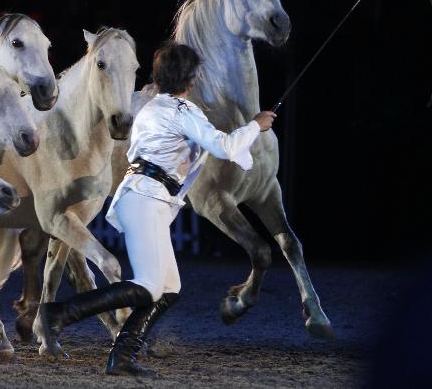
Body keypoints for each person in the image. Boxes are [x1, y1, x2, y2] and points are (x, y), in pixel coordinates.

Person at [38, 42, 276, 377]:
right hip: (147, 199)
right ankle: (59, 313)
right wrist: (256, 125)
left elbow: (225, 147)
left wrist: (245, 137)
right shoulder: (182, 112)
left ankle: (122, 356)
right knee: (150, 285)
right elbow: (224, 147)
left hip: (147, 199)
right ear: (190, 80)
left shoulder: (155, 108)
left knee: (168, 289)